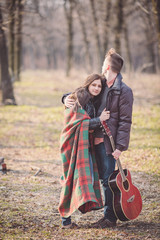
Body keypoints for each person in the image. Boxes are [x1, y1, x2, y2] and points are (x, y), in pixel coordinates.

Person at [64, 48, 134, 228]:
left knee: (109, 179)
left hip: (108, 143)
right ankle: (84, 211)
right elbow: (82, 92)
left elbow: (125, 121)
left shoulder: (124, 91)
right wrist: (65, 98)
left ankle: (109, 218)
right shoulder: (100, 84)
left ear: (108, 66)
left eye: (104, 63)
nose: (102, 66)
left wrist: (120, 146)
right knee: (91, 177)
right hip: (88, 140)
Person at [58, 73, 110, 229]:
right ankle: (65, 221)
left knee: (78, 178)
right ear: (87, 85)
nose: (96, 88)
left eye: (99, 86)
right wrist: (99, 120)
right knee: (69, 179)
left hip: (83, 144)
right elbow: (79, 123)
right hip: (72, 143)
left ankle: (71, 214)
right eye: (93, 85)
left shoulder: (94, 100)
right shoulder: (80, 97)